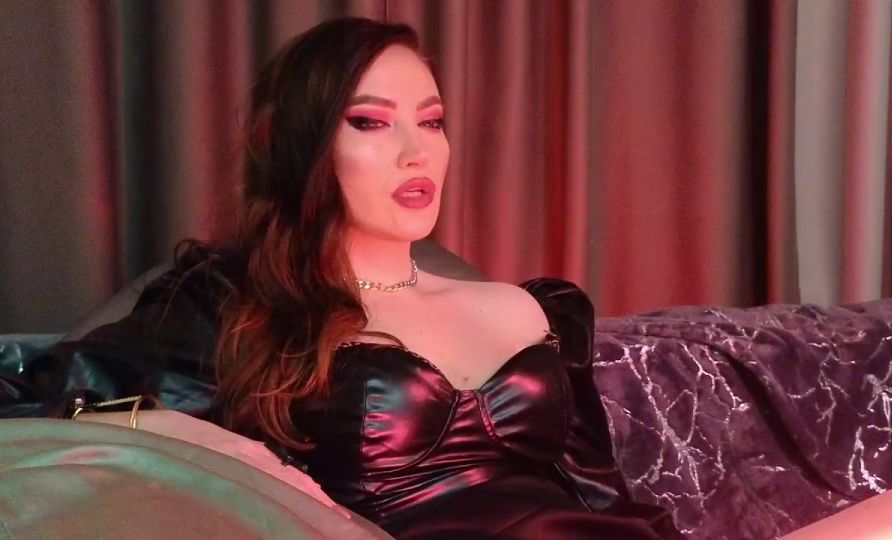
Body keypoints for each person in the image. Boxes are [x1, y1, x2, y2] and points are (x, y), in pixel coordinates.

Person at [24, 17, 682, 540]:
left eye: (431, 121)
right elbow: (40, 394)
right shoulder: (240, 305)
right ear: (303, 146)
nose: (417, 151)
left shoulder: (531, 309)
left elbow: (601, 494)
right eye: (371, 122)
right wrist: (184, 431)